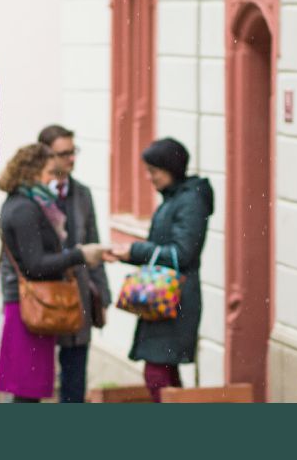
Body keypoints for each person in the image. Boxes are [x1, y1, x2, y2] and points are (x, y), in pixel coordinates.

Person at [0, 143, 107, 402]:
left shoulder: (27, 202)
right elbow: (35, 264)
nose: (52, 180)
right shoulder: (24, 208)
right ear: (32, 171)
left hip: (33, 305)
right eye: (49, 172)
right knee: (27, 393)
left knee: (29, 390)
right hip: (30, 306)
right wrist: (79, 255)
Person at [107, 137, 212, 402]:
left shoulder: (189, 201)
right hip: (164, 299)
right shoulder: (174, 199)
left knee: (157, 374)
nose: (149, 177)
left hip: (175, 300)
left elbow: (183, 253)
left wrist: (136, 251)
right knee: (165, 374)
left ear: (171, 168)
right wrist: (128, 255)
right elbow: (164, 248)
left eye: (154, 171)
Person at [38, 124, 111, 403]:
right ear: (46, 155)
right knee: (33, 382)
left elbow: (94, 242)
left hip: (77, 296)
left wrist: (102, 294)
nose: (71, 159)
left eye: (73, 151)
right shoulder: (31, 193)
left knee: (74, 379)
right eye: (64, 153)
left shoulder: (82, 194)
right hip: (41, 297)